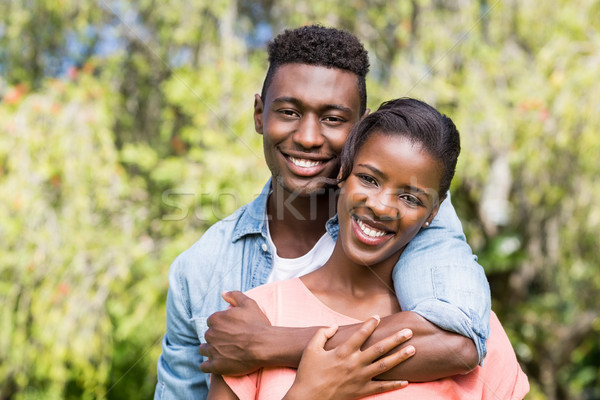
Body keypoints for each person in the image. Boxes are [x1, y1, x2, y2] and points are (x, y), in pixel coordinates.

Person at [155, 25, 490, 399]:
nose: (309, 137)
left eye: (332, 118)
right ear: (259, 115)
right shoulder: (201, 269)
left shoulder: (418, 227)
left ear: (360, 126)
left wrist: (268, 343)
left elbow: (458, 342)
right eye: (288, 112)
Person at [209, 98, 529, 399]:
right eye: (368, 179)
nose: (380, 206)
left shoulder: (476, 332)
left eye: (410, 198)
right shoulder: (255, 320)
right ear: (342, 174)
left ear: (434, 212)